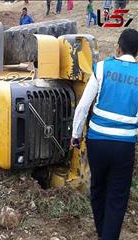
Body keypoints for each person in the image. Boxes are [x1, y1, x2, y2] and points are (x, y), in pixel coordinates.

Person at [70, 29, 138, 240]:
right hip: (124, 145)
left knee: (98, 188)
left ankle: (103, 234)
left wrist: (75, 134)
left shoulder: (102, 68)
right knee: (117, 197)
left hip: (97, 142)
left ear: (118, 47)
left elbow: (83, 107)